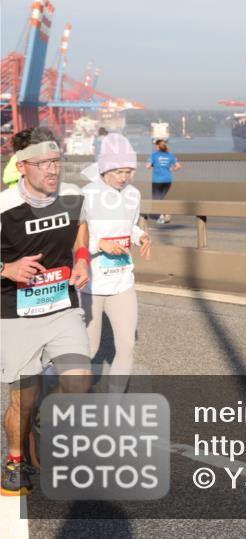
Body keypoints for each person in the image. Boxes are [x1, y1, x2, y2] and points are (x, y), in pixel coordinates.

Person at [1, 127, 91, 496]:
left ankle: (44, 419)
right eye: (44, 163)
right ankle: (15, 459)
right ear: (23, 166)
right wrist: (6, 269)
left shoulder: (72, 196)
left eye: (57, 161)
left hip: (61, 306)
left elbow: (81, 228)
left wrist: (82, 259)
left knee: (79, 381)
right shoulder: (4, 207)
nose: (53, 170)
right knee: (23, 396)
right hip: (14, 313)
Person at [81, 134, 151, 394]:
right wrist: (99, 244)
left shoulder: (133, 194)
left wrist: (141, 235)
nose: (124, 177)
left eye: (129, 171)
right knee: (89, 349)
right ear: (105, 168)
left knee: (127, 346)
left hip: (122, 280)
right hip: (92, 283)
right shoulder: (87, 194)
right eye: (118, 171)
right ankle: (63, 390)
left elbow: (129, 225)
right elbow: (75, 236)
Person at [147, 139, 180, 224]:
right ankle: (166, 213)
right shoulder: (170, 155)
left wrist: (154, 166)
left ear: (157, 146)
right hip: (168, 180)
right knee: (161, 198)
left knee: (156, 199)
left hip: (157, 180)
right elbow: (178, 166)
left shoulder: (154, 155)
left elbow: (147, 166)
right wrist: (171, 169)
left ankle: (162, 215)